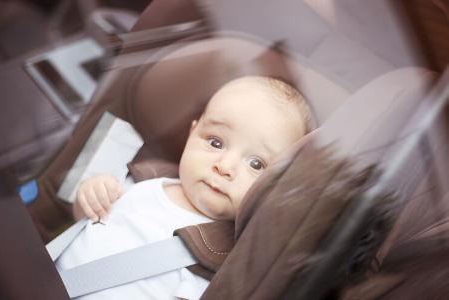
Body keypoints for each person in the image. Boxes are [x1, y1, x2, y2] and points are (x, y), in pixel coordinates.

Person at [56, 76, 313, 300]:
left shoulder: (222, 259)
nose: (224, 166)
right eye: (215, 142)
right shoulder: (141, 177)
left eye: (256, 164)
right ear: (192, 133)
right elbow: (86, 221)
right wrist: (90, 196)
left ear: (277, 187)